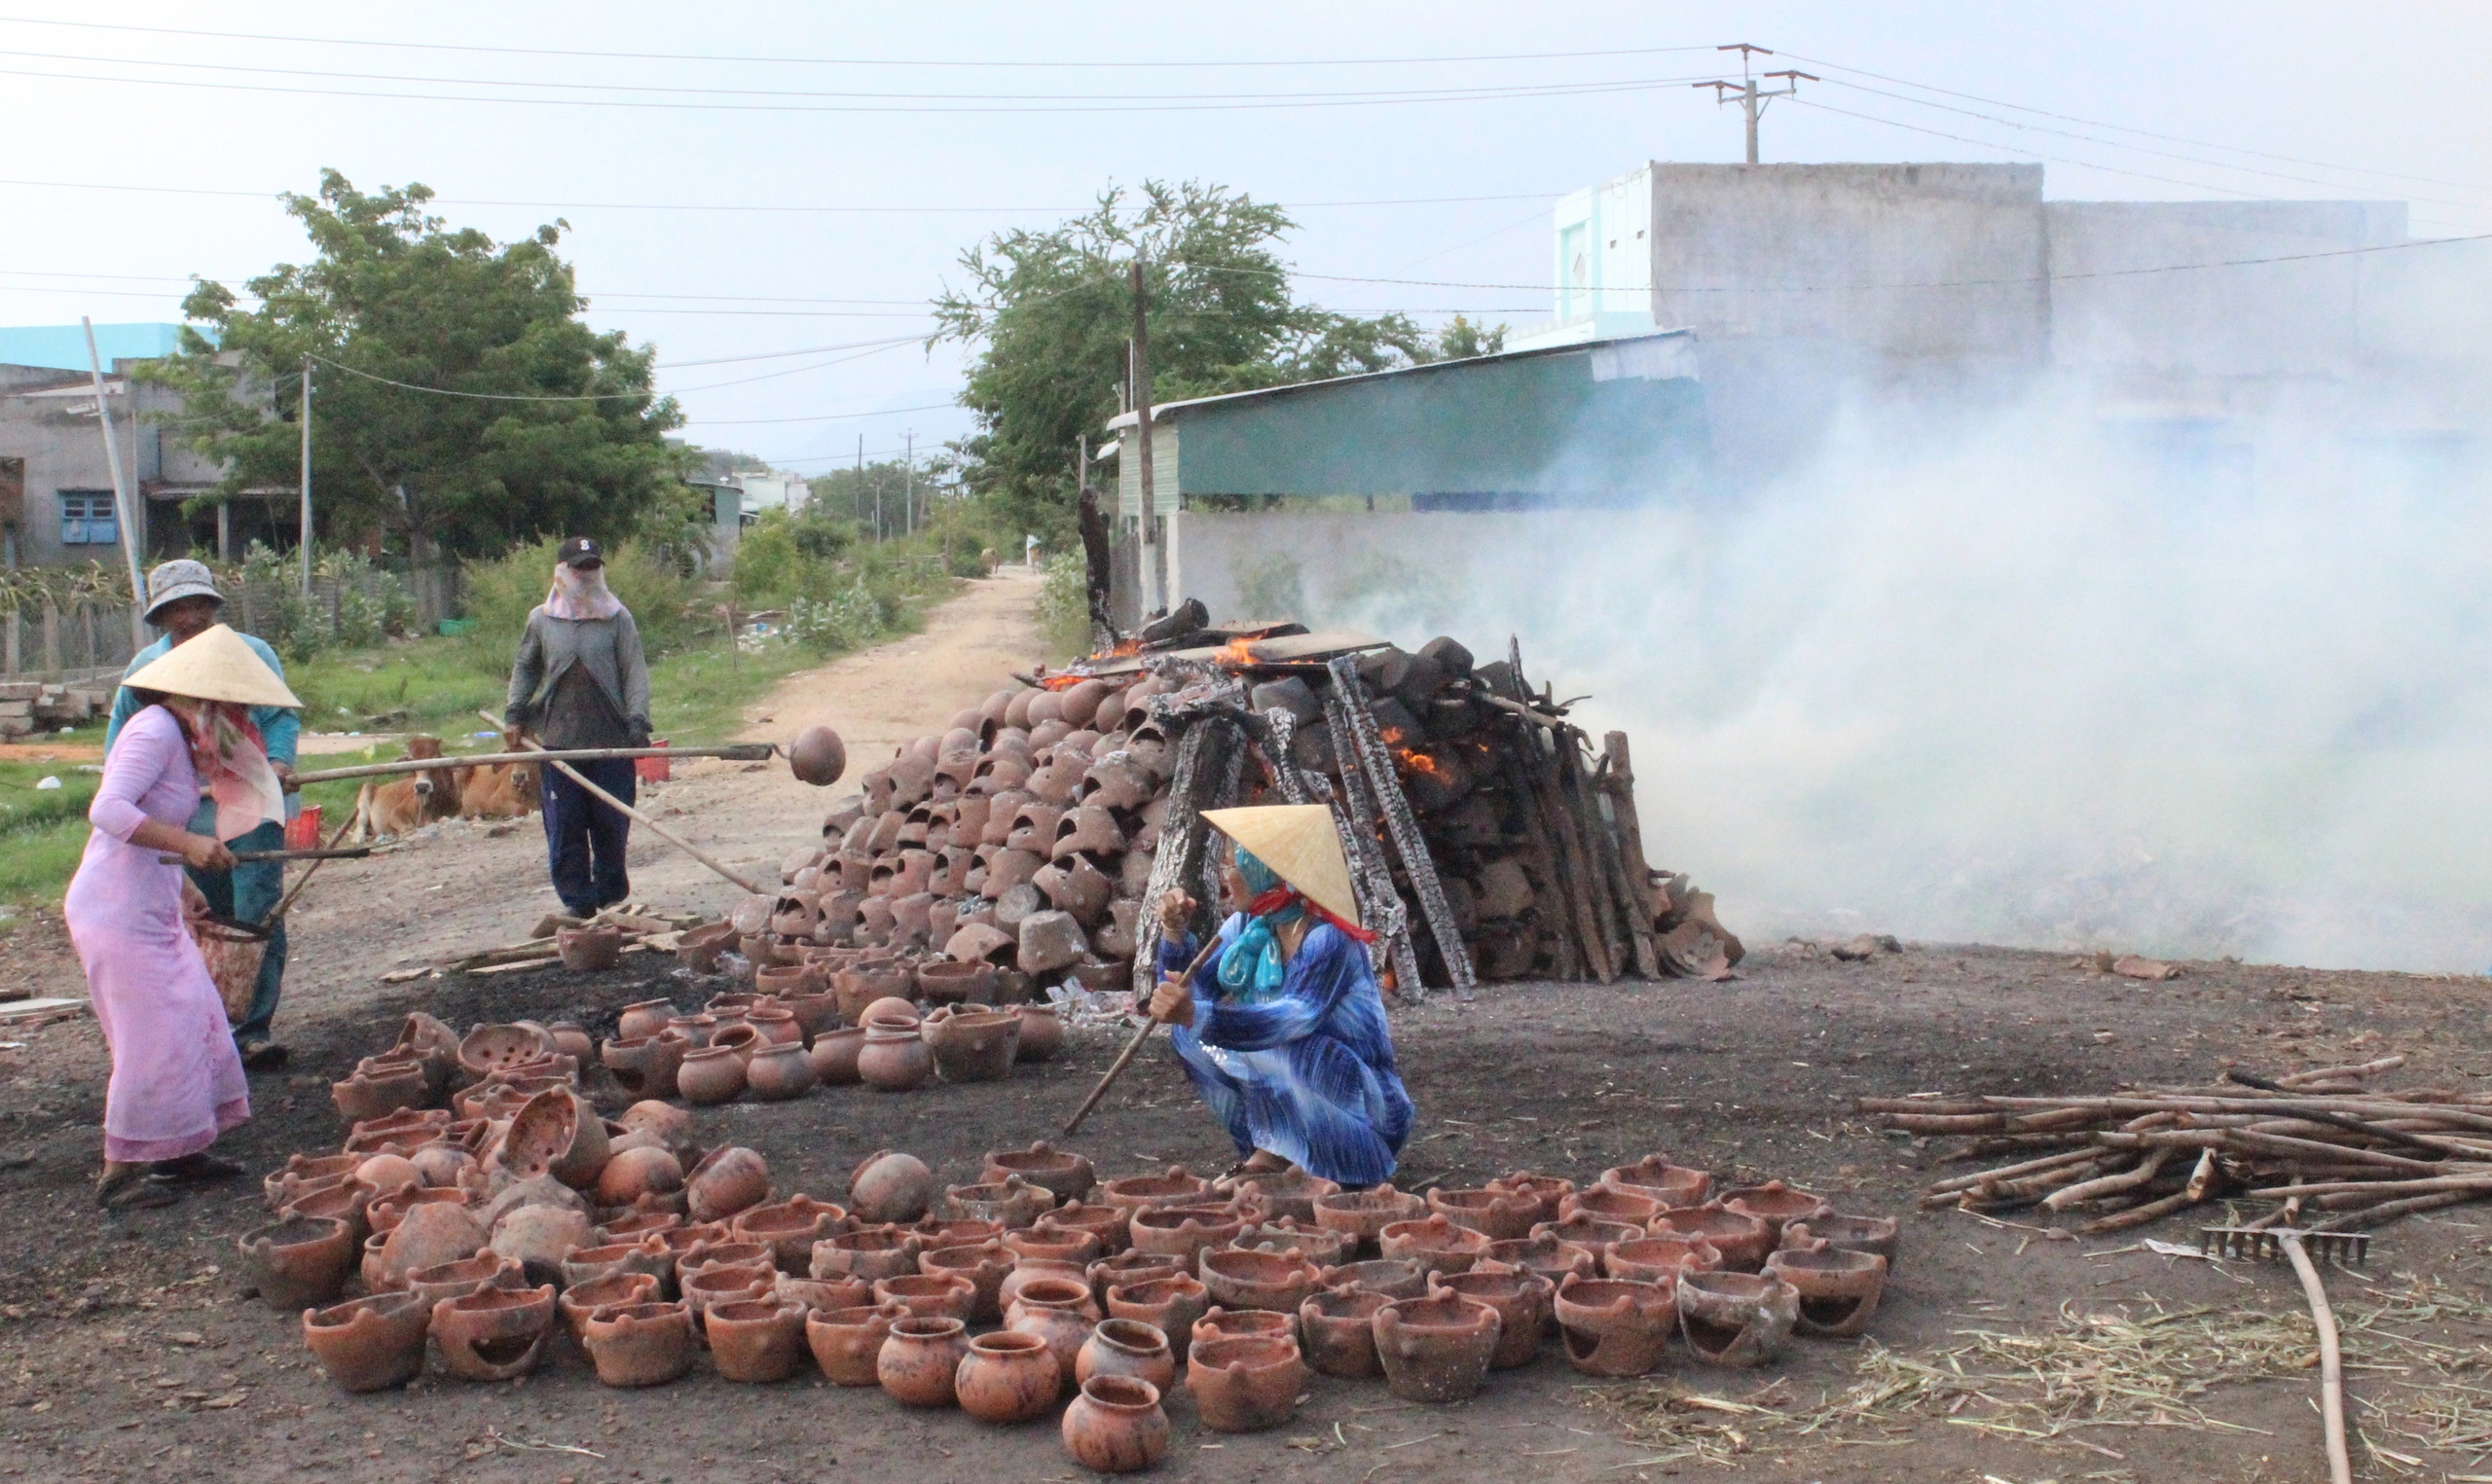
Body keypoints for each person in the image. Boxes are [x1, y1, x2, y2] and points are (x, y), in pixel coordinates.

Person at [71, 624, 295, 1209]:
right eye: (235, 704)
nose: (240, 716)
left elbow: (150, 828)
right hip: (114, 910)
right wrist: (191, 846)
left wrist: (183, 888)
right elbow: (109, 810)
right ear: (207, 695)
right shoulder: (153, 730)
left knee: (195, 1018)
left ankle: (179, 1153)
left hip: (151, 901)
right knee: (151, 1038)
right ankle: (121, 1173)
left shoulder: (184, 735)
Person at [1147, 805, 1415, 1188]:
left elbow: (1293, 1018)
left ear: (1267, 871)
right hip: (1290, 1073)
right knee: (1190, 1037)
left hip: (1362, 1104)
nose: (1227, 879)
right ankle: (1270, 1150)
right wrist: (1174, 937)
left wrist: (1197, 1013)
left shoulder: (1328, 938)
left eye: (1233, 866)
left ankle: (1339, 1165)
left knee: (1283, 1048)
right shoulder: (1248, 926)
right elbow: (1194, 990)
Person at [102, 560, 300, 1071]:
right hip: (187, 818)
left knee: (256, 916)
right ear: (162, 617)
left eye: (197, 605)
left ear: (213, 606)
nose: (189, 616)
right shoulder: (146, 673)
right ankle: (211, 1028)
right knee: (202, 920)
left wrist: (277, 764)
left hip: (253, 806)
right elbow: (119, 752)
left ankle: (252, 1030)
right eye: (176, 609)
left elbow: (279, 718)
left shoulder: (252, 655)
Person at [505, 536, 651, 919]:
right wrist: (515, 713)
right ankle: (577, 901)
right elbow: (526, 667)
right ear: (562, 572)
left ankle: (611, 898)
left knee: (611, 821)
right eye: (578, 568)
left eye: (592, 567)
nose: (585, 575)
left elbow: (634, 671)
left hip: (610, 741)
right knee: (565, 823)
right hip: (560, 741)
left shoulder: (618, 618)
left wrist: (637, 720)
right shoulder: (542, 619)